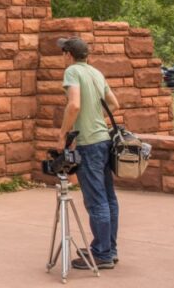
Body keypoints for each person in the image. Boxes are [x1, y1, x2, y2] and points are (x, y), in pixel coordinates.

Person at [57, 37, 122, 271]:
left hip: (88, 145)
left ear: (69, 55)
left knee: (96, 201)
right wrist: (96, 121)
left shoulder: (72, 72)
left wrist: (63, 133)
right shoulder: (95, 72)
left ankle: (102, 254)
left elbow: (73, 105)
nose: (62, 57)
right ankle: (108, 249)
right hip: (103, 140)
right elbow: (114, 104)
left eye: (63, 53)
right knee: (108, 198)